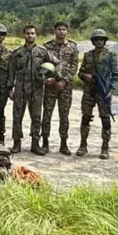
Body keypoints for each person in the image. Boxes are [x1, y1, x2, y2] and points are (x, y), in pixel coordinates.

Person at [8, 24, 59, 155]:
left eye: (32, 33)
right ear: (23, 35)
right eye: (27, 33)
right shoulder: (17, 53)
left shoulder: (42, 52)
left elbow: (57, 63)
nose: (30, 35)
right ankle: (16, 143)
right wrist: (10, 88)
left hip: (37, 88)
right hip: (20, 88)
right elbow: (11, 72)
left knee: (36, 116)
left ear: (36, 35)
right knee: (17, 116)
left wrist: (53, 77)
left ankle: (35, 144)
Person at [77, 29, 118, 159]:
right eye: (96, 39)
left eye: (101, 39)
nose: (99, 41)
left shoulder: (111, 55)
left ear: (105, 41)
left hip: (104, 91)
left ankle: (105, 148)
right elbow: (80, 73)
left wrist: (111, 90)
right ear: (93, 41)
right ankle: (83, 145)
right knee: (85, 117)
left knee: (105, 119)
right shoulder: (88, 55)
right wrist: (86, 76)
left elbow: (115, 75)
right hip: (89, 90)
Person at [41, 21, 79, 155]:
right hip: (50, 86)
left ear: (67, 31)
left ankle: (64, 144)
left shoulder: (72, 47)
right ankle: (45, 143)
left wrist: (64, 81)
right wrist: (48, 79)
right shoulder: (46, 46)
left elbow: (74, 65)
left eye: (64, 30)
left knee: (64, 116)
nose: (61, 32)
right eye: (59, 29)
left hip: (65, 88)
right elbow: (43, 65)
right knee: (47, 115)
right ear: (54, 31)